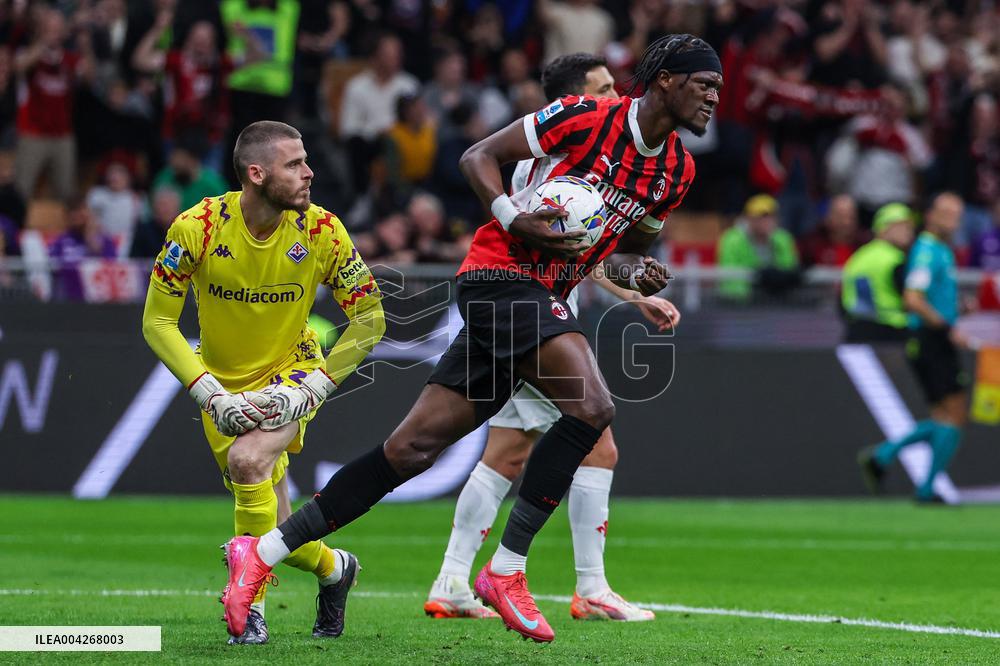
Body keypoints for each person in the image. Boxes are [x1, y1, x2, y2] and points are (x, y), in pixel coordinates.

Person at [220, 33, 721, 644]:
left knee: (409, 450)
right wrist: (515, 217)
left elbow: (623, 251)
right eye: (705, 84)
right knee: (592, 408)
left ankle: (262, 553)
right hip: (500, 276)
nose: (714, 99)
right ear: (667, 79)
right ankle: (506, 571)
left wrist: (638, 279)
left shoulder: (677, 169)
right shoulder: (585, 116)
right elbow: (476, 157)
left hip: (543, 297)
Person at [423, 52, 677, 623]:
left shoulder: (576, 164)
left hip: (530, 311)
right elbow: (567, 250)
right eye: (605, 88)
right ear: (572, 98)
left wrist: (636, 288)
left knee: (506, 453)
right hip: (531, 312)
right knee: (596, 439)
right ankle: (589, 587)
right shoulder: (553, 169)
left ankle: (451, 581)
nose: (617, 98)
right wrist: (636, 296)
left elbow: (592, 253)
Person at [141, 121, 385, 644]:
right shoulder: (197, 227)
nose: (308, 172)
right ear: (257, 173)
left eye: (305, 161)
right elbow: (156, 322)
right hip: (222, 385)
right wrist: (208, 393)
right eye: (294, 163)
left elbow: (370, 319)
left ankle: (250, 611)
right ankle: (337, 569)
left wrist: (314, 388)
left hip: (293, 375)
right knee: (279, 529)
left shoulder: (322, 230)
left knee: (248, 460)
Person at [858, 192, 970, 503]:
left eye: (957, 214)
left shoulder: (940, 251)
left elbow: (931, 298)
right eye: (946, 213)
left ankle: (886, 460)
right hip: (930, 340)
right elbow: (913, 299)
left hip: (934, 338)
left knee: (946, 416)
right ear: (931, 214)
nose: (953, 220)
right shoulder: (926, 252)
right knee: (953, 415)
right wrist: (948, 327)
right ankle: (917, 481)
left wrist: (961, 309)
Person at [841, 203, 916, 343]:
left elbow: (841, 298)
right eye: (901, 226)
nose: (908, 232)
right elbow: (910, 297)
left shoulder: (858, 256)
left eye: (910, 227)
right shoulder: (894, 258)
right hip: (892, 333)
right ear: (883, 229)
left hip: (856, 331)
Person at [717, 194, 800, 301]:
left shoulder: (783, 239)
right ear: (749, 218)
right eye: (762, 216)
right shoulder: (731, 240)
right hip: (740, 305)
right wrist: (756, 289)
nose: (767, 221)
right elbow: (731, 280)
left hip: (776, 302)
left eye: (771, 216)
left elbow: (789, 268)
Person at [799, 194, 871, 268]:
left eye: (851, 217)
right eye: (840, 217)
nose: (846, 223)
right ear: (828, 218)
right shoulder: (812, 246)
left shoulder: (866, 246)